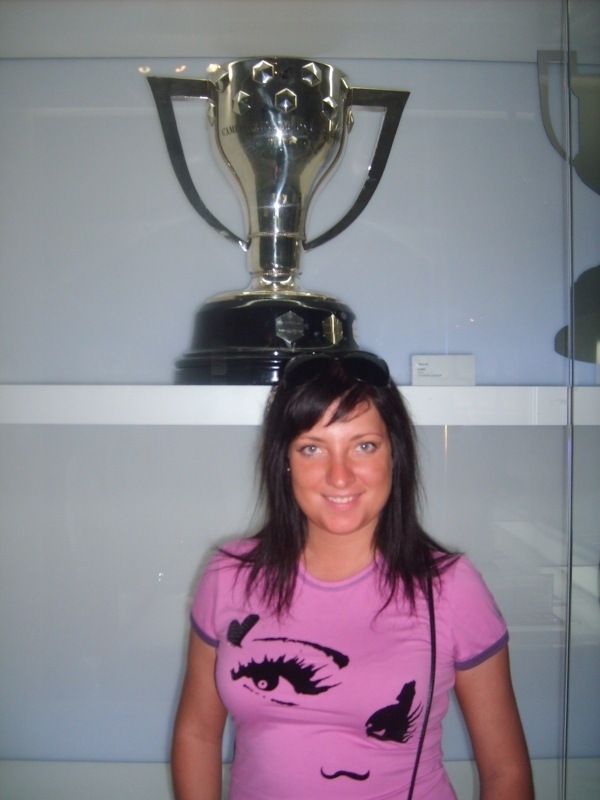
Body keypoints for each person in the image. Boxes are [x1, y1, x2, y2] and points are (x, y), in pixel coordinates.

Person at [171, 351, 534, 800]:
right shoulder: (230, 575)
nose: (339, 476)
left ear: (394, 454)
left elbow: (504, 771)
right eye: (312, 448)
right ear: (284, 461)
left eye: (364, 446)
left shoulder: (450, 588)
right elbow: (197, 734)